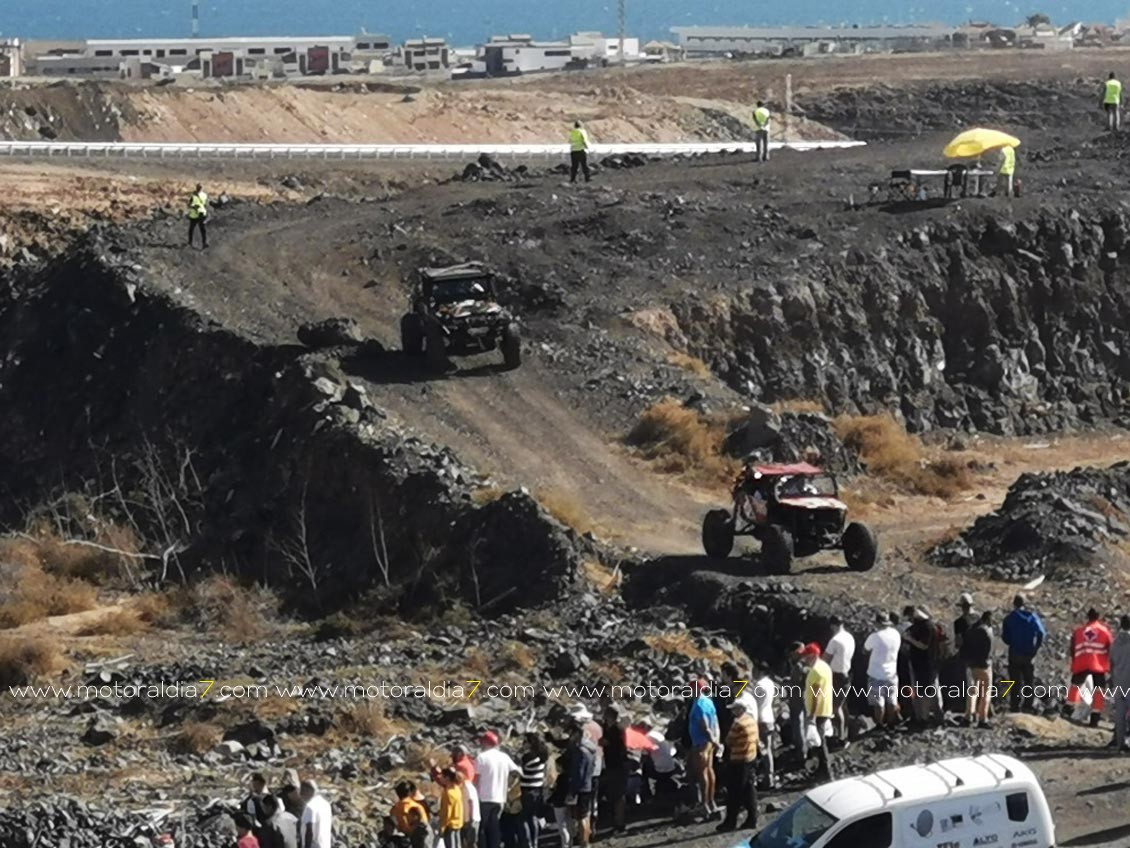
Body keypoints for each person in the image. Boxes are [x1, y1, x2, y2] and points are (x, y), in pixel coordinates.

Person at [716, 697, 759, 833]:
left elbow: (729, 741)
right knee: (749, 789)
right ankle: (752, 818)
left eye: (735, 709)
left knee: (734, 793)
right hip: (750, 758)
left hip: (739, 760)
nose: (733, 711)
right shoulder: (751, 720)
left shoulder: (738, 724)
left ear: (740, 709)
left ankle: (730, 822)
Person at [474, 731, 521, 848]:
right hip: (500, 798)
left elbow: (476, 778)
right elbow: (517, 772)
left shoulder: (481, 757)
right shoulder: (504, 757)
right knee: (495, 827)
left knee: (483, 828)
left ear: (485, 743)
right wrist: (509, 786)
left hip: (484, 798)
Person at [1002, 593, 1046, 713]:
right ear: (1024, 604)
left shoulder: (1009, 618)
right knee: (1028, 681)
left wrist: (1013, 640)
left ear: (1014, 604)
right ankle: (1027, 706)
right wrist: (1035, 649)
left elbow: (1005, 638)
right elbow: (1041, 634)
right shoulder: (1032, 617)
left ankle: (1014, 706)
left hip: (1014, 653)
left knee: (1014, 681)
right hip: (1029, 654)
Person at [1069, 608, 1113, 727]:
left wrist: (1074, 661)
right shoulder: (1104, 631)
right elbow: (1110, 648)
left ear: (1088, 617)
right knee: (1099, 690)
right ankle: (1095, 718)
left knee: (1075, 686)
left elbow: (1072, 648)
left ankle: (1069, 710)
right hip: (1098, 664)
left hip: (1082, 662)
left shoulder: (1079, 631)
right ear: (1098, 617)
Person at [800, 643, 834, 780]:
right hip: (825, 709)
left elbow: (816, 694)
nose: (804, 660)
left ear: (813, 656)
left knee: (819, 743)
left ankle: (825, 773)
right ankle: (821, 770)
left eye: (806, 657)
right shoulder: (825, 667)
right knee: (819, 741)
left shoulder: (815, 671)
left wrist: (812, 716)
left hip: (818, 712)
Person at [687, 678, 720, 820]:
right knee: (709, 770)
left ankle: (705, 803)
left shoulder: (699, 704)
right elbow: (715, 721)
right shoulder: (709, 701)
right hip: (708, 742)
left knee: (702, 773)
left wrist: (712, 739)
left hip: (701, 742)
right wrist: (716, 739)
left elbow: (704, 725)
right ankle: (711, 801)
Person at [906, 607, 943, 726]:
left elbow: (923, 645)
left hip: (924, 664)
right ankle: (937, 716)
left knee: (924, 693)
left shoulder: (926, 627)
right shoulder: (931, 626)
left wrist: (909, 639)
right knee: (933, 690)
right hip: (931, 663)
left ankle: (924, 718)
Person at [864, 613, 901, 728]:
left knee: (878, 703)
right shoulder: (896, 634)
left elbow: (865, 649)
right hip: (892, 673)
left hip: (876, 673)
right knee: (892, 700)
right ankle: (891, 723)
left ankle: (879, 724)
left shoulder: (876, 636)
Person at [824, 617, 855, 742]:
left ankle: (840, 737)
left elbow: (826, 658)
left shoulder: (835, 640)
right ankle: (845, 733)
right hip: (847, 673)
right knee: (843, 705)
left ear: (833, 626)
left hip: (836, 675)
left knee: (835, 707)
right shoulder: (849, 637)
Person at [600, 707, 629, 834]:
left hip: (617, 765)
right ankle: (617, 821)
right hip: (613, 765)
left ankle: (620, 823)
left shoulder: (616, 730)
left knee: (618, 795)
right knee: (614, 794)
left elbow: (609, 743)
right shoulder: (610, 728)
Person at [963, 610, 994, 728]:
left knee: (972, 691)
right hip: (984, 665)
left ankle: (968, 716)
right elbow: (989, 650)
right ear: (987, 619)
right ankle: (982, 718)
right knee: (986, 692)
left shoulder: (970, 630)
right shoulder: (987, 631)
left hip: (971, 665)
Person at [567, 724, 596, 848]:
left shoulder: (579, 751)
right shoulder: (590, 749)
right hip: (588, 783)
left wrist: (573, 791)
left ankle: (583, 843)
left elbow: (578, 772)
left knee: (580, 817)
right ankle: (586, 840)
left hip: (580, 787)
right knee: (586, 814)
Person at [520, 732, 549, 847]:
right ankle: (535, 842)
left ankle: (528, 843)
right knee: (534, 817)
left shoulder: (528, 757)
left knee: (524, 819)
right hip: (538, 789)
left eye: (525, 741)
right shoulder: (542, 755)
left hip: (527, 790)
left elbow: (519, 769)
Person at [751, 670, 777, 789]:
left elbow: (756, 703)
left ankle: (767, 778)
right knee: (768, 749)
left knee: (763, 750)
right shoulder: (770, 683)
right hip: (770, 717)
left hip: (761, 720)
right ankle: (769, 776)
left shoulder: (759, 685)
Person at [1111, 615, 1130, 751]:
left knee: (1120, 714)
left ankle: (1120, 743)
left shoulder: (1115, 642)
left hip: (1118, 681)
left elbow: (1111, 663)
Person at [299, 781, 332, 848]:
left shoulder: (310, 806)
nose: (300, 794)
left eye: (303, 791)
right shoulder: (326, 804)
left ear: (309, 791)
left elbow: (309, 830)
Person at [439, 767, 466, 848]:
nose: (440, 778)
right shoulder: (457, 789)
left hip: (450, 824)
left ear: (447, 778)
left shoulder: (448, 793)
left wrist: (442, 826)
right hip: (458, 822)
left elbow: (447, 811)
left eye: (442, 776)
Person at [244, 772, 274, 839]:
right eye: (254, 785)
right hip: (259, 829)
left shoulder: (270, 798)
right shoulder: (250, 800)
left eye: (256, 785)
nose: (255, 788)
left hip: (267, 829)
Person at [460, 769, 482, 848]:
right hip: (473, 817)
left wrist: (469, 818)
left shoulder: (466, 787)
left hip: (471, 818)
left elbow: (470, 803)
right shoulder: (469, 786)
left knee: (470, 842)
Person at [187, 183, 209, 249]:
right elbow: (189, 205)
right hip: (197, 214)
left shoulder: (202, 195)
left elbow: (205, 204)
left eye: (200, 187)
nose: (199, 188)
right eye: (199, 187)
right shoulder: (195, 195)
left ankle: (202, 243)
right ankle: (192, 242)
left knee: (199, 229)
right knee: (195, 229)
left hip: (198, 214)